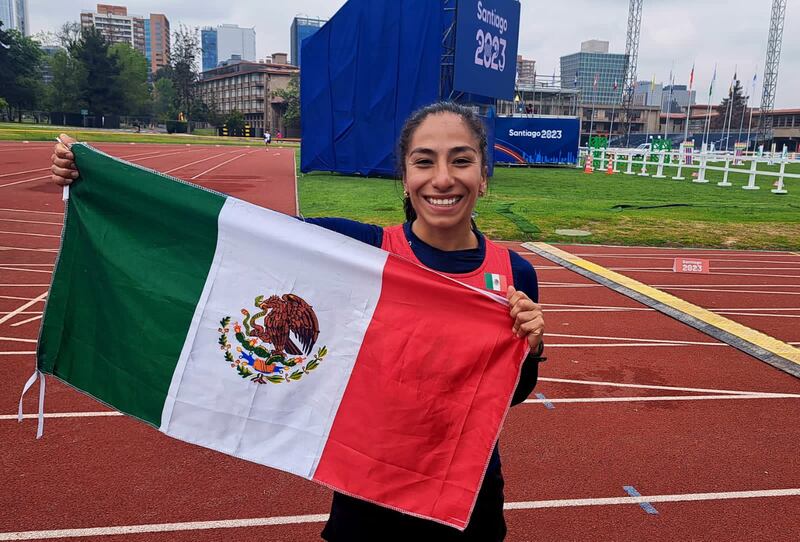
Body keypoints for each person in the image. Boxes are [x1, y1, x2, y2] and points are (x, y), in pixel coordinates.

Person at [50, 101, 545, 542]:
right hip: (370, 492)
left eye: (461, 160)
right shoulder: (359, 251)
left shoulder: (513, 273)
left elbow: (512, 393)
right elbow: (237, 230)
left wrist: (531, 344)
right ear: (405, 175)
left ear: (483, 174)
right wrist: (100, 180)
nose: (443, 178)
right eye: (424, 161)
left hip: (465, 487)